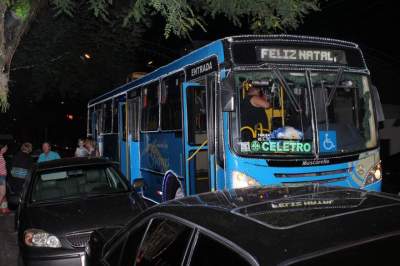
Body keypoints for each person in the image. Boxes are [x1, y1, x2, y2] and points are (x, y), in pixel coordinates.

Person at [0, 144, 10, 214]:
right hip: (1, 176)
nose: (6, 149)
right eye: (5, 147)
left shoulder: (1, 155)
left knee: (2, 194)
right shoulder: (0, 156)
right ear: (2, 148)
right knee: (2, 194)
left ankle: (4, 208)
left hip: (2, 176)